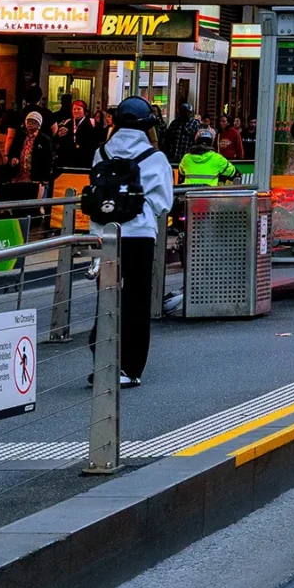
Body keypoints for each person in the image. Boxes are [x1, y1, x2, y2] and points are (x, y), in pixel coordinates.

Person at [94, 97, 174, 387]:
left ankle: (102, 361)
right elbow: (164, 203)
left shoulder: (101, 152)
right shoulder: (155, 158)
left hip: (105, 234)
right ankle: (130, 368)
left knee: (107, 297)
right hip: (140, 235)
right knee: (137, 300)